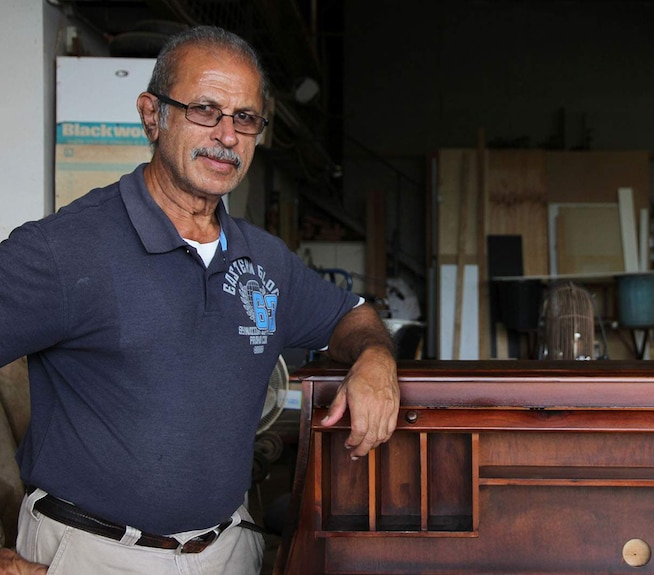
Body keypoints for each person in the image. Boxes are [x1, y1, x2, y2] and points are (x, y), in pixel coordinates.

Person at [0, 25, 400, 574]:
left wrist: (375, 358)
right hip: (93, 556)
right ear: (152, 115)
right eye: (205, 109)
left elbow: (350, 316)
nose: (228, 134)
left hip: (227, 552)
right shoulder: (65, 250)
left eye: (246, 118)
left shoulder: (264, 259)